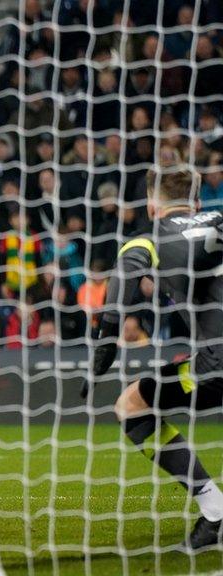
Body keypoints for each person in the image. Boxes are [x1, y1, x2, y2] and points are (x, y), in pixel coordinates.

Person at [88, 167, 223, 550]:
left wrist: (107, 342)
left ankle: (215, 512)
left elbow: (121, 284)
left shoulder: (148, 240)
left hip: (219, 362)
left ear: (151, 205)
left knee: (132, 405)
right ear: (196, 202)